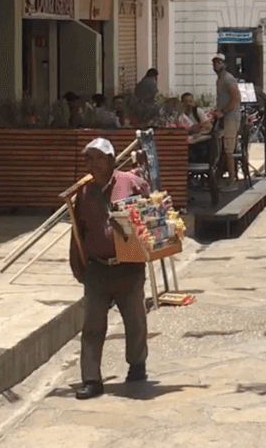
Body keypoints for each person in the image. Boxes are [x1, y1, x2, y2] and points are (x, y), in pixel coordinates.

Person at [68, 138, 150, 400]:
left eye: (97, 158)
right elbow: (77, 232)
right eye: (88, 159)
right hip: (97, 271)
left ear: (111, 161)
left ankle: (137, 365)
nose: (92, 164)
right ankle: (91, 379)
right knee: (92, 326)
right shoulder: (82, 192)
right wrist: (79, 267)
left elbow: (151, 213)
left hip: (129, 268)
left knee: (135, 321)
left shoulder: (131, 183)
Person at [212, 54, 241, 187]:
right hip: (224, 117)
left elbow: (235, 98)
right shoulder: (219, 80)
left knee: (229, 150)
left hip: (231, 117)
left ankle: (232, 179)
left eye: (219, 62)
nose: (216, 65)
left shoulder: (228, 79)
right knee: (222, 148)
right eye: (214, 63)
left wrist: (223, 111)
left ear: (224, 64)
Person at [179, 93, 213, 165]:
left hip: (199, 139)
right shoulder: (180, 114)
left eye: (190, 101)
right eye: (186, 101)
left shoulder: (197, 111)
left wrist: (198, 126)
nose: (188, 104)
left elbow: (208, 125)